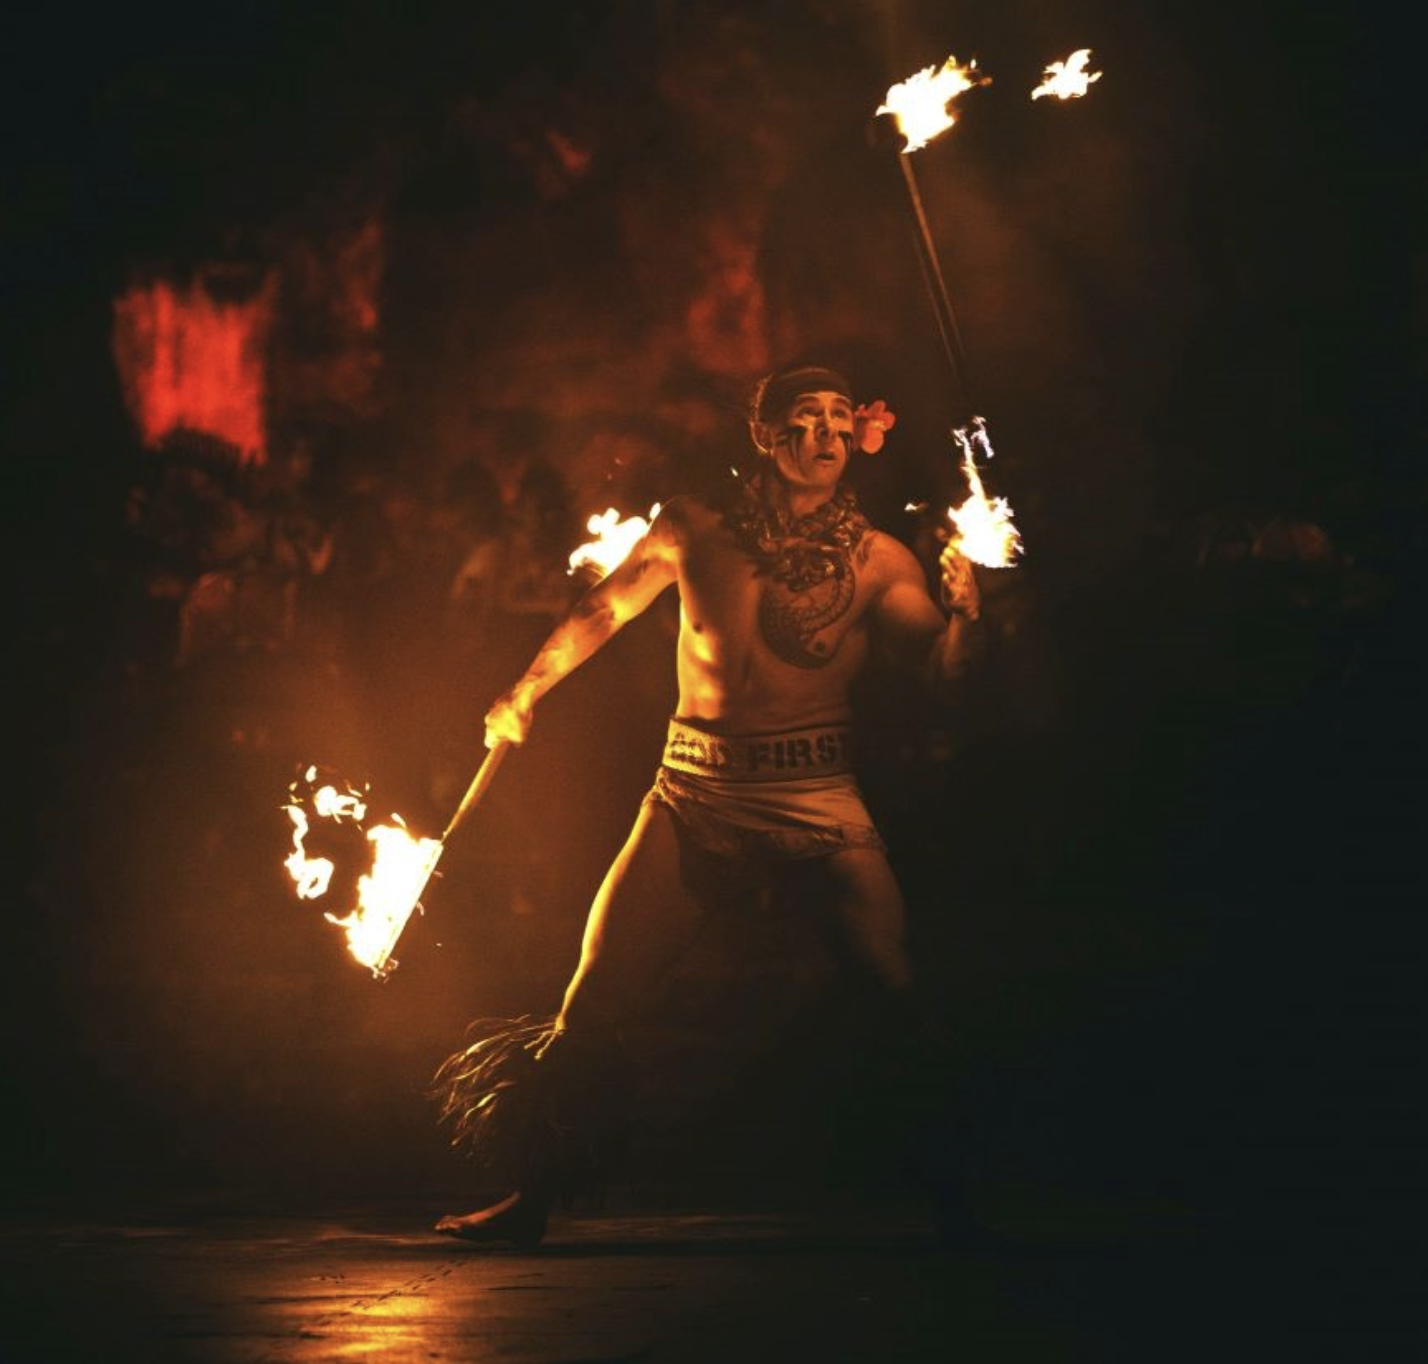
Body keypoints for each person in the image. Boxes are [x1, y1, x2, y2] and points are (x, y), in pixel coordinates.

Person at [431, 363, 987, 1248]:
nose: (827, 437)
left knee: (894, 995)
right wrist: (524, 690)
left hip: (817, 795)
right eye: (805, 420)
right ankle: (530, 1201)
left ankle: (956, 1202)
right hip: (694, 790)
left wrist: (972, 615)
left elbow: (943, 674)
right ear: (767, 436)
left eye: (841, 421)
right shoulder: (693, 526)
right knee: (592, 999)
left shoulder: (882, 559)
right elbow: (602, 609)